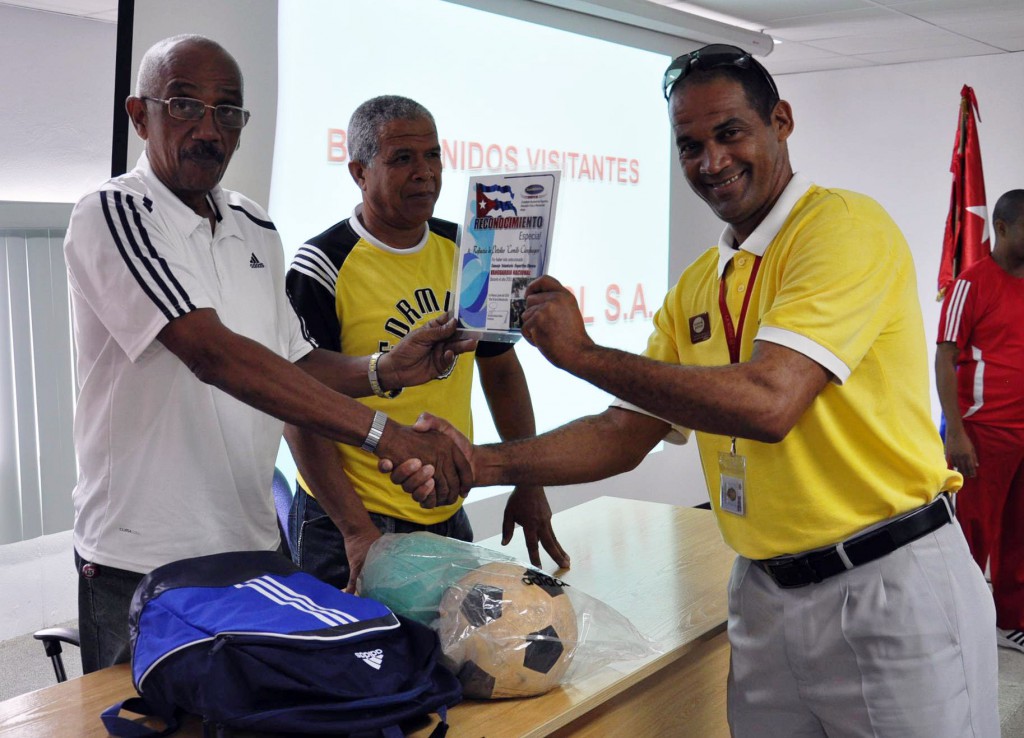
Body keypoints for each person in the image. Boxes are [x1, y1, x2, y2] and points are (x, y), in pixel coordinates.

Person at [388, 44, 999, 736]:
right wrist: (479, 464)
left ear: (781, 121)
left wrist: (583, 355)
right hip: (766, 592)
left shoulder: (842, 229)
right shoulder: (697, 287)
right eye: (689, 145)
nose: (711, 162)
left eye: (729, 133)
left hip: (887, 582)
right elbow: (623, 432)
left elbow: (771, 402)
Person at [63, 36, 473, 673]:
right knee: (142, 715)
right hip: (143, 562)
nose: (209, 129)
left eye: (227, 111)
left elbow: (295, 362)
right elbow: (213, 355)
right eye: (185, 106)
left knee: (263, 711)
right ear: (140, 116)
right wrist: (384, 435)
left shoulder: (254, 225)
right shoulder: (113, 213)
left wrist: (384, 370)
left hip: (254, 548)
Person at [285, 95, 569, 592]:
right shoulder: (321, 266)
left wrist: (529, 482)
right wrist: (357, 532)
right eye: (402, 158)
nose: (426, 173)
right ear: (359, 172)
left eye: (433, 155)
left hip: (446, 507)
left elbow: (501, 369)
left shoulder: (468, 250)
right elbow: (298, 412)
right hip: (348, 521)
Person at [936, 188, 1024, 654]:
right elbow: (944, 358)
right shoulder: (971, 283)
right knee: (972, 535)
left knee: (1019, 534)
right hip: (984, 431)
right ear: (1002, 228)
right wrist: (957, 432)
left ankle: (1010, 621)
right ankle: (960, 629)